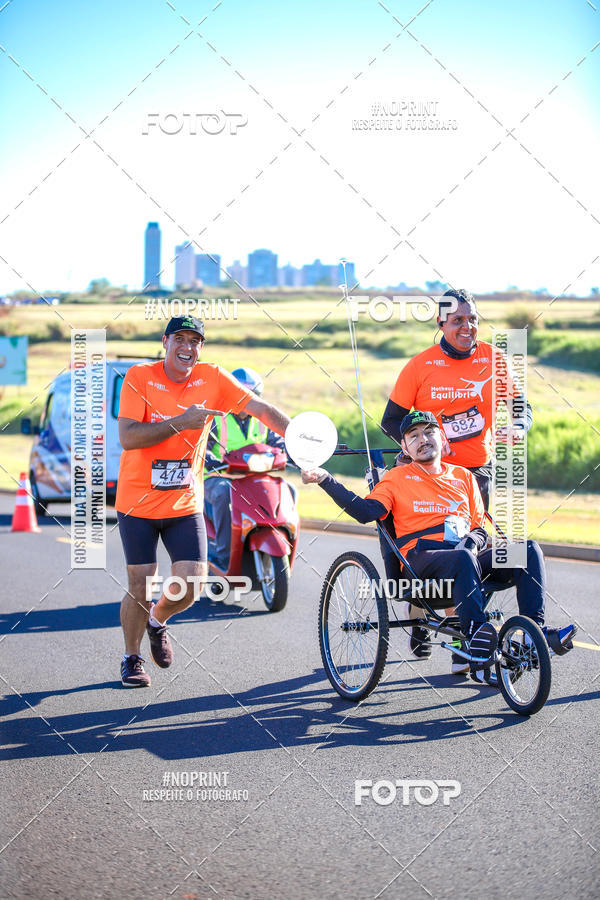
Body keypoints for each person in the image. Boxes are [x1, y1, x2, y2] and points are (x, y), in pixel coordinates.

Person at [302, 410, 576, 678]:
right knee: (462, 559)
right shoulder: (395, 478)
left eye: (429, 432)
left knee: (527, 551)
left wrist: (470, 542)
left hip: (466, 558)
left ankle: (533, 636)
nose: (423, 439)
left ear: (442, 439)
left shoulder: (464, 477)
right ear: (405, 448)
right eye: (413, 436)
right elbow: (365, 512)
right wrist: (325, 479)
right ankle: (476, 634)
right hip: (421, 565)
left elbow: (479, 529)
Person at [115, 315, 290, 687]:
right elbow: (128, 437)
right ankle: (132, 658)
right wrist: (182, 421)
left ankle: (157, 621)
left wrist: (303, 440)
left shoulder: (212, 377)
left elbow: (260, 409)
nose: (187, 347)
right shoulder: (139, 377)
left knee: (191, 586)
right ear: (165, 342)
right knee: (142, 585)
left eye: (194, 341)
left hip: (183, 502)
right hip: (137, 502)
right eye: (180, 338)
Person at [381, 288, 532, 511]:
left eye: (473, 319)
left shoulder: (495, 359)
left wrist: (519, 427)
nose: (467, 326)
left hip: (477, 471)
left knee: (472, 532)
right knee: (430, 532)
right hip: (429, 471)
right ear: (440, 323)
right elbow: (390, 422)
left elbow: (521, 407)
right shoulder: (419, 365)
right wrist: (421, 444)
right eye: (457, 320)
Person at [204, 366, 296, 571]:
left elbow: (278, 441)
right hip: (219, 476)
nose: (245, 401)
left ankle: (282, 539)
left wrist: (292, 452)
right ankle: (223, 555)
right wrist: (211, 460)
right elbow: (202, 446)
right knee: (223, 493)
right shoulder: (216, 417)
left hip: (254, 478)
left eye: (251, 396)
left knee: (289, 489)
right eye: (240, 395)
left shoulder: (263, 419)